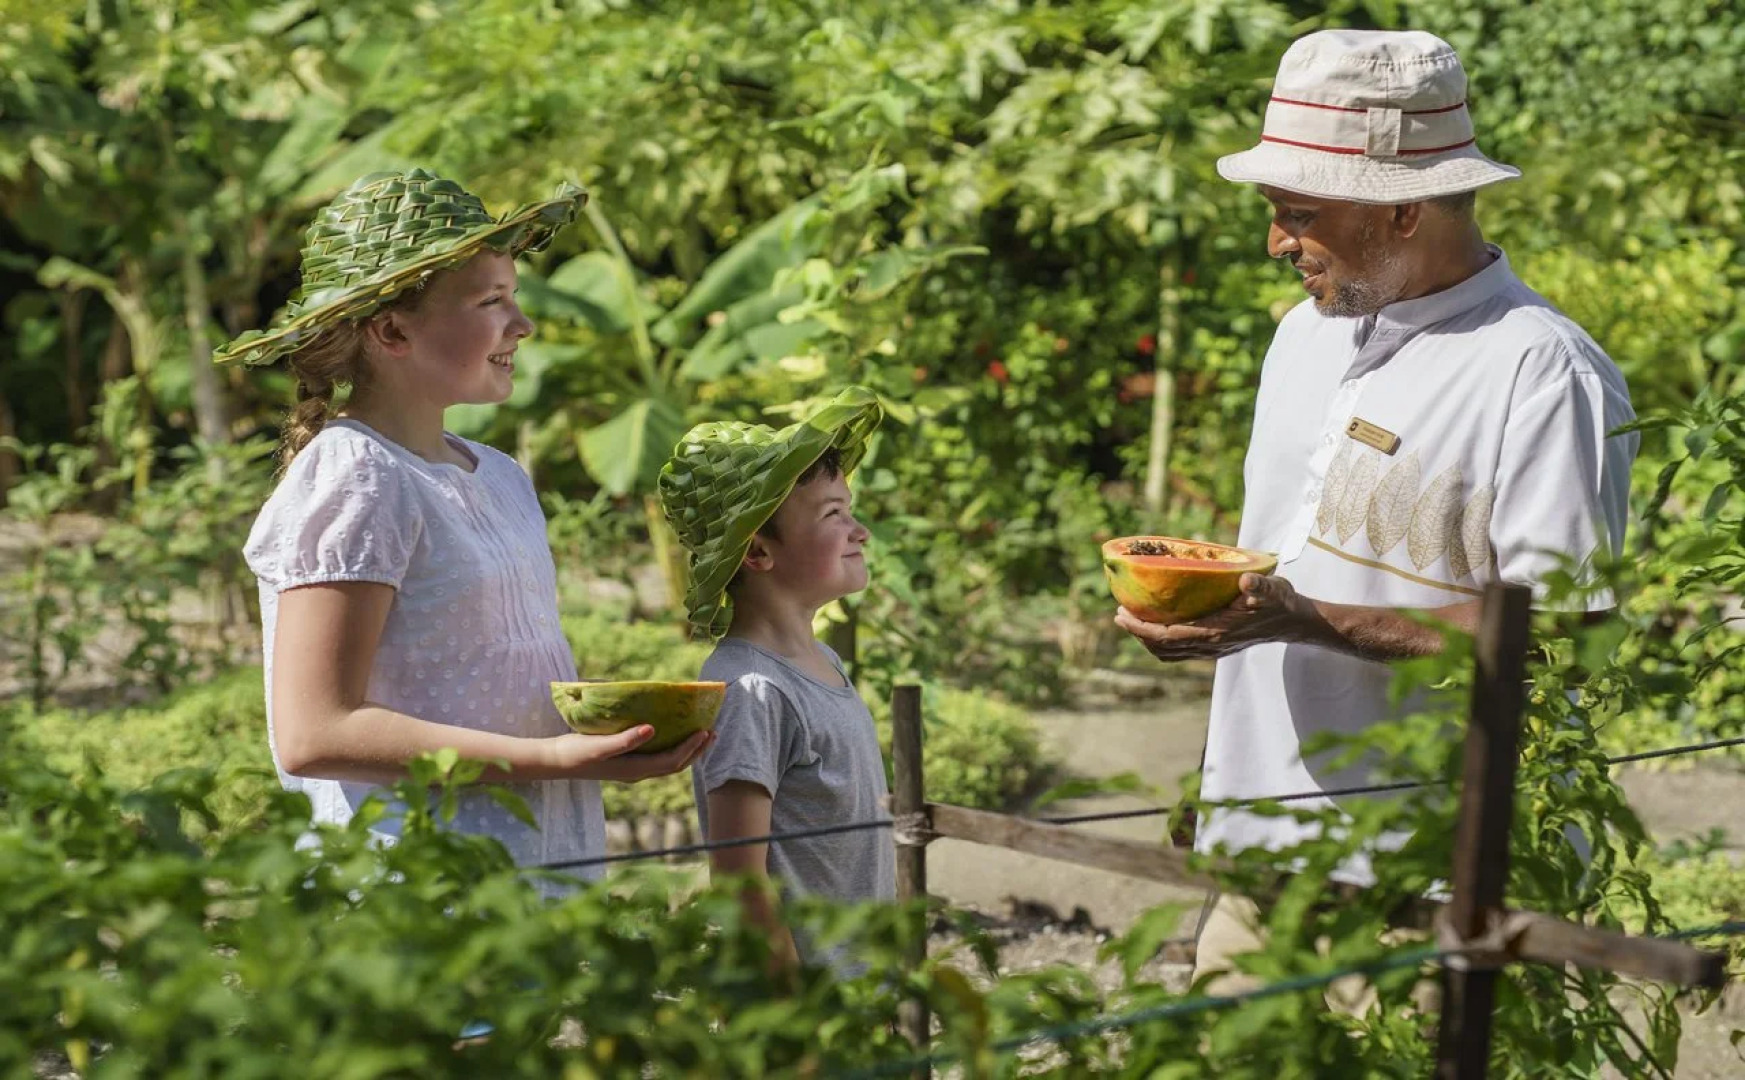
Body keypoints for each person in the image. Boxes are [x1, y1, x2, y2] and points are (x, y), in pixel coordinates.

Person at [1113, 30, 1639, 990]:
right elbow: (1282, 564)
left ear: (1401, 211)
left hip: (1429, 878)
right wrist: (1219, 764)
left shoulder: (1539, 369)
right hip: (1261, 851)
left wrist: (1310, 620)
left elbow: (1568, 634)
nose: (1276, 242)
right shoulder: (1301, 338)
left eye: (1297, 213)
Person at [224, 169, 710, 881]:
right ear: (392, 329)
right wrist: (551, 758)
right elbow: (314, 732)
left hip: (531, 868)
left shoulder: (499, 474)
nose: (523, 325)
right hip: (419, 888)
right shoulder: (357, 474)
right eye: (491, 301)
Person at [658, 387, 894, 974]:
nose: (860, 531)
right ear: (758, 552)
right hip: (808, 1002)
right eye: (833, 515)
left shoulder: (821, 661)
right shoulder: (751, 690)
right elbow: (740, 883)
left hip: (862, 993)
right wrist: (791, 1010)